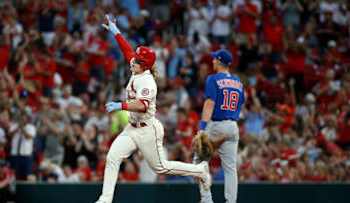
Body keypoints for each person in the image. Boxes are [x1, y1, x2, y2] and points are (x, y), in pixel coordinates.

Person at [94, 15, 211, 203]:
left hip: (148, 129)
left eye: (138, 60)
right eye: (136, 59)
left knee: (161, 168)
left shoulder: (147, 81)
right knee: (113, 157)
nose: (133, 61)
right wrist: (115, 32)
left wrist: (120, 105)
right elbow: (128, 51)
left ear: (145, 65)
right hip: (132, 128)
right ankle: (105, 199)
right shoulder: (137, 68)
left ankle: (200, 170)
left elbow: (142, 105)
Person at [194, 49, 245, 203]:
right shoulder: (239, 82)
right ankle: (231, 201)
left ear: (219, 61)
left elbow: (210, 103)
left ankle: (207, 199)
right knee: (230, 168)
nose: (213, 61)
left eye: (215, 59)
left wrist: (202, 129)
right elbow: (240, 104)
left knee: (199, 162)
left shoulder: (213, 79)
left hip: (216, 125)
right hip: (232, 126)